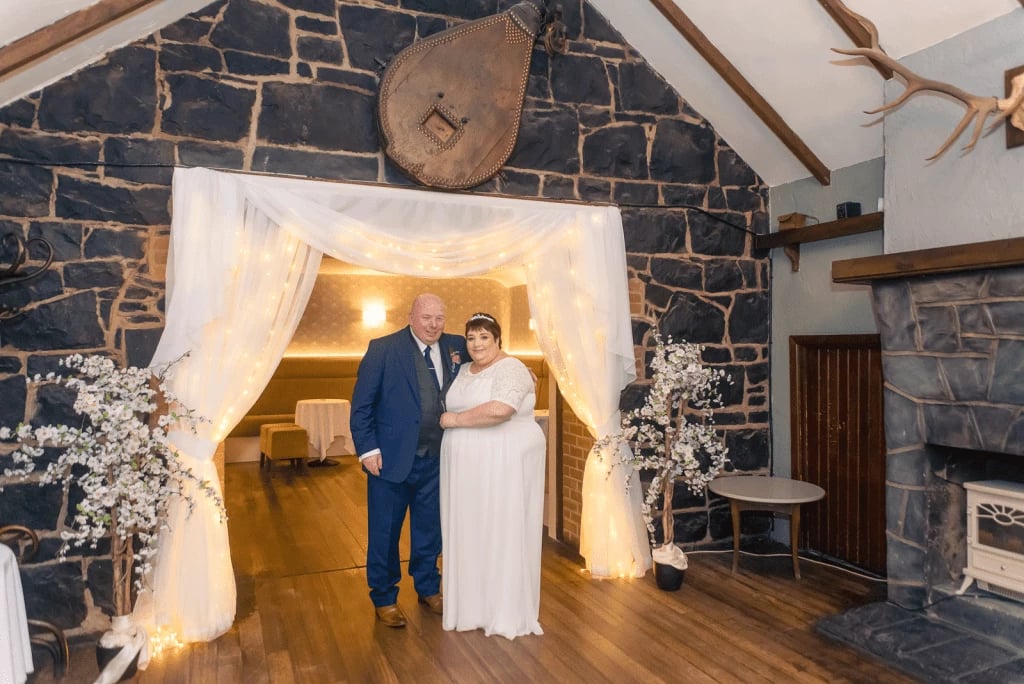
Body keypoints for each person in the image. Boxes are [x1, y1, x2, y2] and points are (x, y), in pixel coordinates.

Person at [350, 293, 468, 628]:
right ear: (411, 316)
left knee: (430, 528)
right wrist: (368, 450)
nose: (433, 325)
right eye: (427, 317)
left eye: (440, 318)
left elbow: (491, 358)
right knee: (385, 532)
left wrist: (519, 372)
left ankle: (429, 587)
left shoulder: (457, 344)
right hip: (390, 461)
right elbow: (361, 407)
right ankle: (384, 597)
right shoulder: (383, 349)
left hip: (438, 459)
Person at [438, 312, 546, 639]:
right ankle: (471, 607)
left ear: (498, 339)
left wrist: (453, 421)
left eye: (484, 337)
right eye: (471, 338)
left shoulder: (511, 367)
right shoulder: (463, 370)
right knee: (473, 531)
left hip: (501, 465)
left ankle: (503, 609)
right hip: (467, 471)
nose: (477, 344)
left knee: (500, 529)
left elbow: (501, 409)